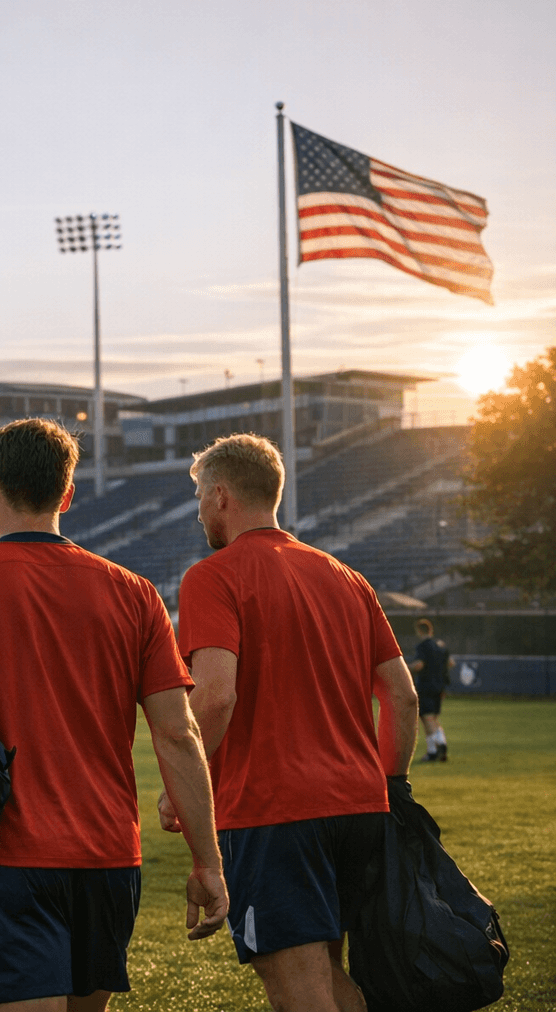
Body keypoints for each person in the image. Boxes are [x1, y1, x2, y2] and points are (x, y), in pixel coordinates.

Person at [0, 418, 227, 1012]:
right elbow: (179, 734)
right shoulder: (135, 593)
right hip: (107, 859)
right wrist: (208, 863)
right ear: (69, 494)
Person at [166, 433, 419, 1012]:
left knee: (300, 988)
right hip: (360, 806)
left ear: (222, 496)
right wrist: (391, 784)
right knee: (325, 974)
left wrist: (189, 776)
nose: (199, 508)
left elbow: (216, 697)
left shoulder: (213, 576)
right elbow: (401, 698)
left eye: (202, 494)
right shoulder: (347, 577)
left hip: (274, 809)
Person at [408, 618, 455, 763]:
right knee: (430, 718)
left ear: (419, 630)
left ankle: (441, 744)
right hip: (440, 686)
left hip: (426, 685)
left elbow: (419, 666)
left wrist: (405, 668)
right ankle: (432, 752)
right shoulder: (440, 646)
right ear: (431, 630)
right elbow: (451, 663)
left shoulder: (423, 646)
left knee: (427, 717)